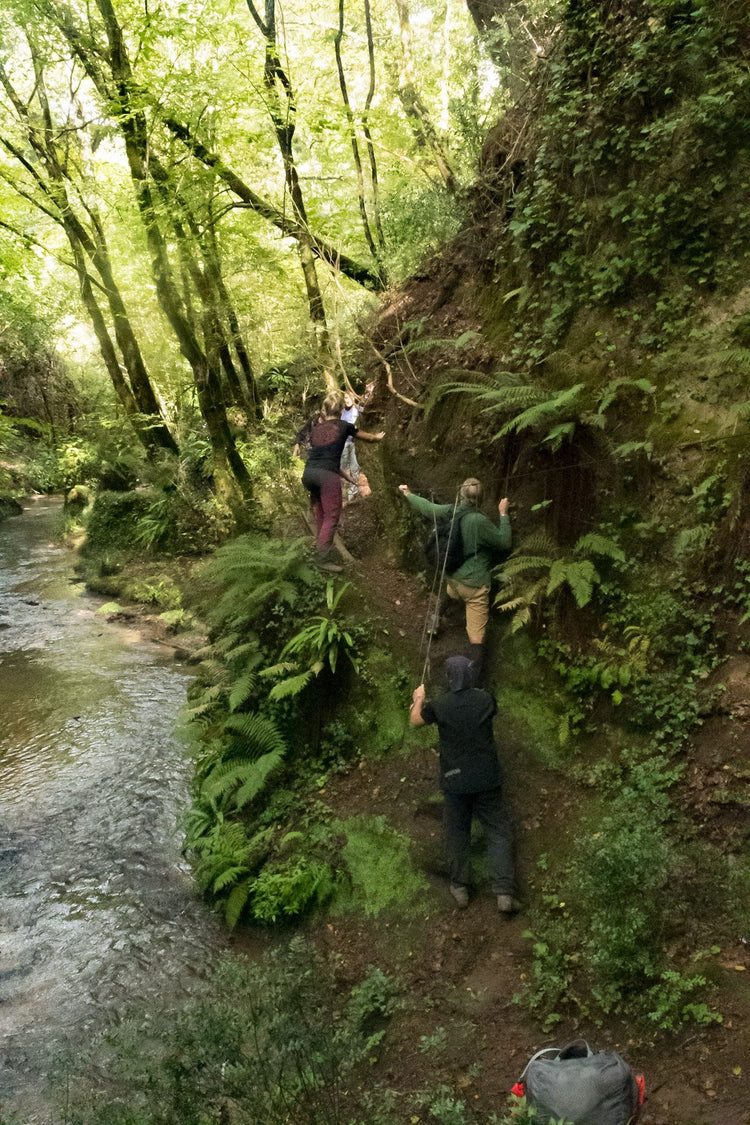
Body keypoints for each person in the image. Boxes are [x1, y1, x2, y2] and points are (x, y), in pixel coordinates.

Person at [410, 655, 519, 914]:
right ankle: (504, 893)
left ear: (448, 678)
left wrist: (418, 700)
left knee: (457, 833)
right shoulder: (485, 699)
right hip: (487, 778)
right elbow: (489, 706)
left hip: (455, 780)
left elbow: (415, 722)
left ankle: (460, 888)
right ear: (469, 676)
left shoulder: (439, 706)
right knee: (498, 832)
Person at [398, 478, 512, 680]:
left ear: (461, 494)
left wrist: (408, 494)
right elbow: (504, 542)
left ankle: (435, 620)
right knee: (477, 638)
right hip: (474, 587)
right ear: (481, 498)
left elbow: (428, 508)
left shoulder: (451, 511)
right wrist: (503, 514)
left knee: (451, 592)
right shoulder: (480, 521)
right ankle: (473, 684)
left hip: (453, 579)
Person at [299, 391, 384, 569]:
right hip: (326, 476)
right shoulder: (344, 425)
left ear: (324, 410)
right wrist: (378, 437)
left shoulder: (316, 430)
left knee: (321, 514)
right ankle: (322, 559)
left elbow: (323, 457)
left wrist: (346, 477)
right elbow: (366, 437)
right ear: (340, 410)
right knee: (332, 515)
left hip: (309, 474)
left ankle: (323, 550)